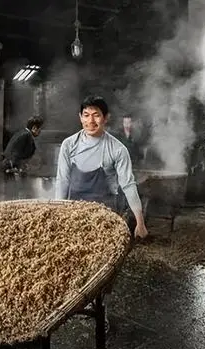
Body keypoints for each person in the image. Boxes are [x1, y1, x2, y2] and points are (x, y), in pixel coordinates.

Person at [55, 95, 149, 333]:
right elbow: (62, 181)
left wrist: (139, 221)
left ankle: (100, 309)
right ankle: (73, 304)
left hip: (105, 215)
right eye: (86, 115)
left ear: (106, 118)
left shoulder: (117, 149)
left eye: (96, 115)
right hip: (75, 212)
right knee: (74, 262)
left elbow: (128, 184)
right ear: (80, 117)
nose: (91, 120)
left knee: (101, 268)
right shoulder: (69, 145)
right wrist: (56, 213)